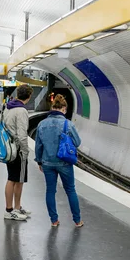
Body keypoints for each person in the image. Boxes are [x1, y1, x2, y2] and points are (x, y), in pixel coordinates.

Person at [35, 95, 84, 228]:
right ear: (63, 108)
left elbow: (38, 146)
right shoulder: (68, 124)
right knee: (70, 190)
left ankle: (54, 220)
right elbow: (77, 142)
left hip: (47, 163)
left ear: (52, 108)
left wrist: (39, 162)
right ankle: (77, 220)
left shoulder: (42, 124)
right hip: (64, 162)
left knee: (50, 191)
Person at [3, 84, 33, 221]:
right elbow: (22, 134)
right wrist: (26, 151)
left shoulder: (8, 108)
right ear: (29, 96)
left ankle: (15, 207)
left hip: (9, 148)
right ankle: (11, 210)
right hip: (18, 150)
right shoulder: (21, 111)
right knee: (17, 180)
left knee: (12, 178)